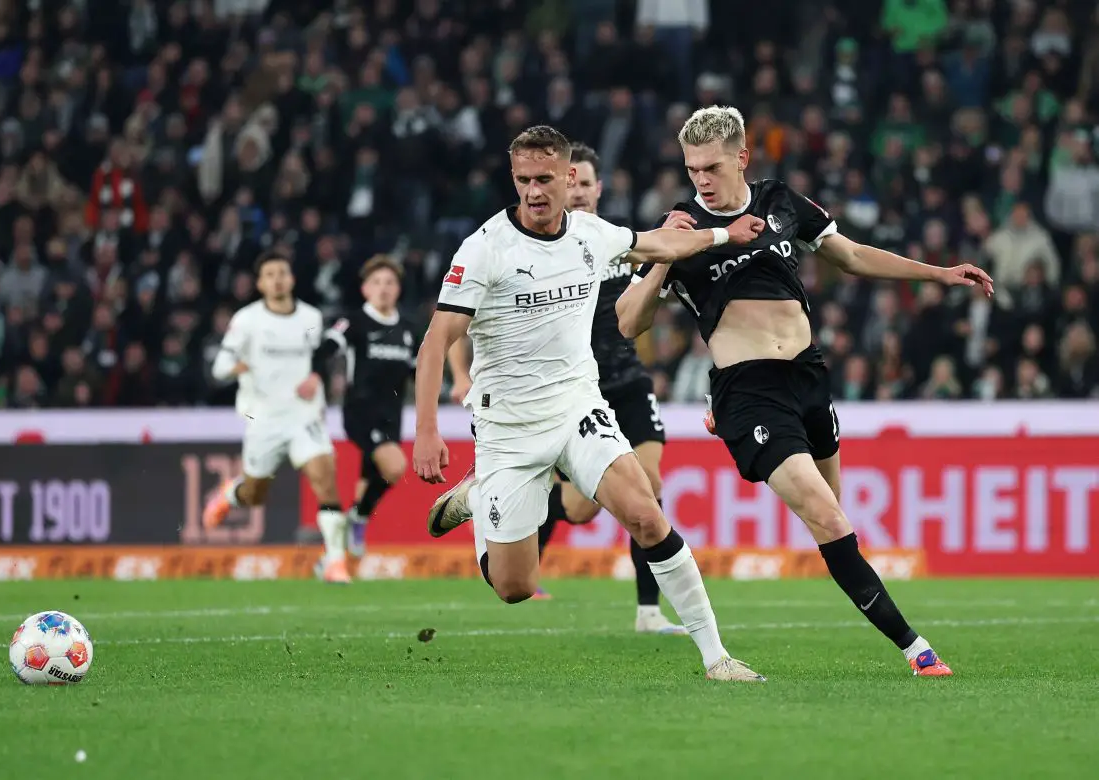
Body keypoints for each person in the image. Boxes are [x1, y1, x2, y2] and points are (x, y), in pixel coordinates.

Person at [618, 106, 995, 677]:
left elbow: (852, 257)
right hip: (750, 393)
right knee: (828, 516)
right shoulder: (682, 230)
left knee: (836, 518)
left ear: (741, 158)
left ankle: (885, 621)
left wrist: (938, 273)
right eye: (692, 169)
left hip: (808, 378)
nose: (700, 180)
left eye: (712, 167)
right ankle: (918, 651)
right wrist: (665, 258)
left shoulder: (782, 203)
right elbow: (628, 323)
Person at [414, 125, 769, 682]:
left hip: (578, 407)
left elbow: (658, 245)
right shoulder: (485, 249)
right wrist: (427, 430)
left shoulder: (588, 233)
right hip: (507, 427)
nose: (534, 191)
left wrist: (724, 237)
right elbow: (436, 340)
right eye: (524, 180)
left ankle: (716, 657)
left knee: (647, 514)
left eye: (545, 179)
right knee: (515, 588)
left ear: (569, 177)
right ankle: (482, 493)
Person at [447, 143, 684, 634]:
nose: (575, 191)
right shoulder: (535, 246)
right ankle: (495, 498)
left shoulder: (615, 242)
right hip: (562, 393)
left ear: (595, 187)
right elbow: (461, 318)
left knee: (651, 487)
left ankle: (648, 611)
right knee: (576, 510)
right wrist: (461, 375)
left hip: (625, 381)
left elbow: (644, 307)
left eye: (583, 184)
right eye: (568, 184)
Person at [205, 248, 351, 584]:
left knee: (324, 479)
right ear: (260, 283)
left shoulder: (312, 317)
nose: (277, 279)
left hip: (305, 416)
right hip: (263, 419)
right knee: (255, 496)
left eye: (282, 273)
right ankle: (230, 494)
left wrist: (317, 378)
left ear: (292, 279)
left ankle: (334, 561)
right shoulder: (246, 320)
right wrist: (239, 367)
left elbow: (321, 360)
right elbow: (219, 367)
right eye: (270, 274)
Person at [316, 255, 418, 556]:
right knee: (395, 466)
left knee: (373, 476)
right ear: (365, 290)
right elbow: (326, 348)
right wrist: (314, 379)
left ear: (398, 289)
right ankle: (358, 517)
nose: (383, 288)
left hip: (392, 417)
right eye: (376, 283)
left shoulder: (408, 329)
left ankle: (333, 559)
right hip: (360, 411)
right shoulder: (355, 321)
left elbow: (417, 372)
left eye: (390, 282)